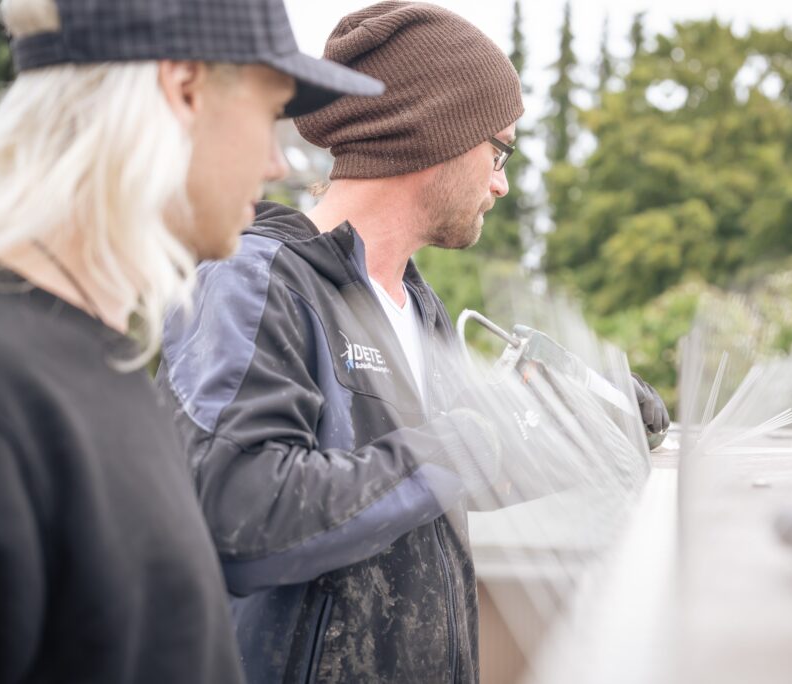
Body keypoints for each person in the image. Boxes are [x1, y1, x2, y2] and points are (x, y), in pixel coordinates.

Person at [156, 2, 669, 682]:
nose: (501, 182)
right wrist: (461, 443)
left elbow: (425, 489)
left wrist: (585, 430)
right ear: (434, 132)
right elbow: (240, 514)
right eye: (499, 149)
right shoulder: (253, 282)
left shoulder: (414, 305)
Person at [0, 0, 382, 682]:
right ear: (185, 88)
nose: (273, 164)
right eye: (269, 115)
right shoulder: (0, 393)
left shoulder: (100, 362)